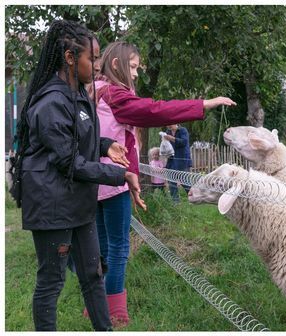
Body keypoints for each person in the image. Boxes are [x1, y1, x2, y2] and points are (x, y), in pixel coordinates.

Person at [10, 20, 145, 331]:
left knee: (93, 273)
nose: (97, 66)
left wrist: (107, 144)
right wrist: (121, 176)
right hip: (53, 207)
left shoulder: (78, 94)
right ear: (70, 59)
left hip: (77, 203)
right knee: (51, 281)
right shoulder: (50, 102)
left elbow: (81, 137)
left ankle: (104, 329)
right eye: (92, 58)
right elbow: (69, 161)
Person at [93, 41, 236, 326]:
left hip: (93, 180)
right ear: (117, 65)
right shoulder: (116, 96)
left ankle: (94, 306)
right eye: (132, 67)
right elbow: (155, 111)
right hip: (115, 180)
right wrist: (203, 104)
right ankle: (114, 314)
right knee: (119, 248)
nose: (135, 75)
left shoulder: (93, 91)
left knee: (101, 247)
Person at [164, 124, 192, 202]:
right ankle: (176, 202)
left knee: (185, 182)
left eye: (170, 124)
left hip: (182, 159)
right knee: (171, 181)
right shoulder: (168, 132)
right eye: (167, 124)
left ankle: (194, 198)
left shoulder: (183, 130)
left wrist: (172, 138)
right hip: (171, 160)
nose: (169, 126)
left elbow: (184, 142)